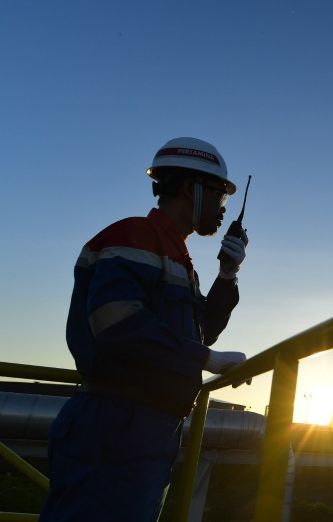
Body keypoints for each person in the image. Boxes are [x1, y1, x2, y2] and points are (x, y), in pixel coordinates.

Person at [41, 137, 251, 521]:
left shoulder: (177, 258)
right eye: (220, 196)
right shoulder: (134, 237)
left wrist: (227, 277)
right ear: (192, 188)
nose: (223, 211)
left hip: (145, 430)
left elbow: (201, 331)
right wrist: (205, 359)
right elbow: (117, 322)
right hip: (116, 425)